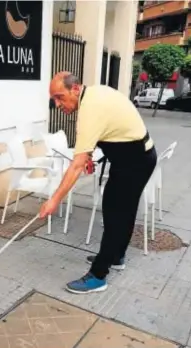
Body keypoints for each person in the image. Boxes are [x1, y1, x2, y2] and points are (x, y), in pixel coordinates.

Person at [40, 72, 157, 294]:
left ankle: (98, 275)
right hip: (132, 158)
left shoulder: (90, 110)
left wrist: (54, 200)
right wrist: (90, 154)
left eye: (59, 97)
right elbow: (110, 129)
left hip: (136, 161)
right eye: (54, 99)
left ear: (75, 89)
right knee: (120, 209)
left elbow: (75, 165)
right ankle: (116, 256)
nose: (57, 104)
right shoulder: (93, 95)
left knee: (116, 214)